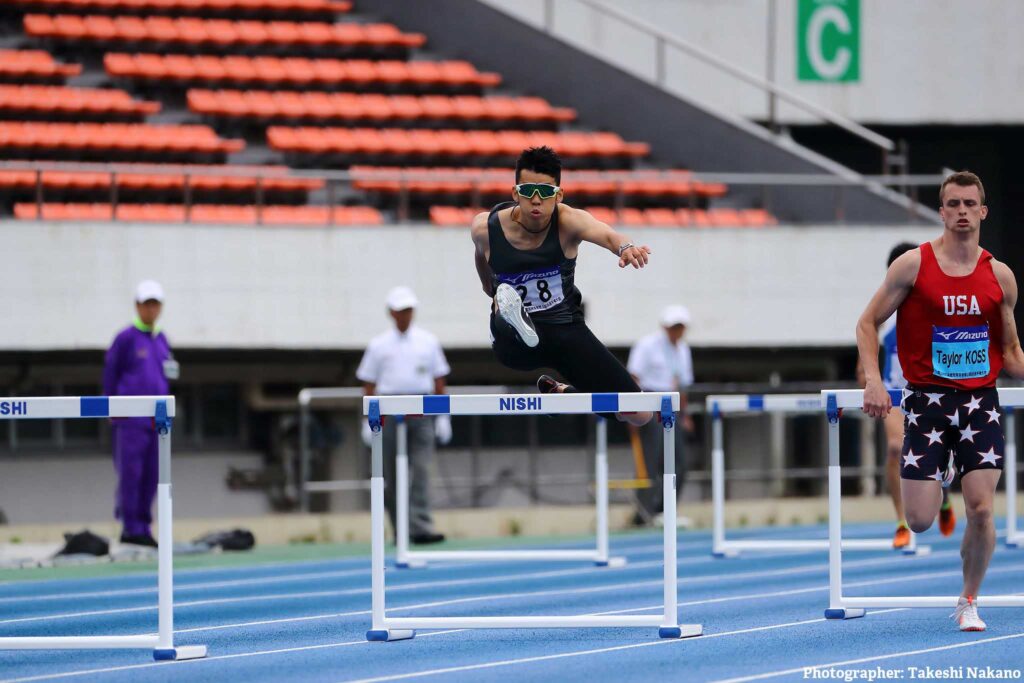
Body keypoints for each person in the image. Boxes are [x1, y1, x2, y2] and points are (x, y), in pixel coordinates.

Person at [856, 171, 1024, 631]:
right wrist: (873, 380)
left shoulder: (1000, 277)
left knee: (982, 509)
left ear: (983, 212)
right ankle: (945, 468)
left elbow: (1010, 355)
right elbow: (867, 324)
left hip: (979, 403)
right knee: (920, 520)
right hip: (927, 403)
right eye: (954, 204)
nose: (963, 211)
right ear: (942, 211)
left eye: (971, 203)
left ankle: (969, 599)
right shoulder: (913, 265)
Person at [469, 146, 653, 426]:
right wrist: (490, 291)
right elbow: (481, 255)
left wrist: (625, 247)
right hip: (515, 345)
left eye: (545, 192)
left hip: (566, 331)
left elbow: (606, 233)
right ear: (515, 193)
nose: (536, 200)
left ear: (559, 195)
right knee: (503, 306)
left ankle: (564, 393)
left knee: (639, 413)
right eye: (528, 191)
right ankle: (509, 311)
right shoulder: (486, 228)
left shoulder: (568, 222)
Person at [860, 243, 956, 548]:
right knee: (893, 449)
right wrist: (868, 377)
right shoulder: (886, 309)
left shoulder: (932, 304)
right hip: (895, 397)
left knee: (937, 456)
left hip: (929, 395)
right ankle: (901, 520)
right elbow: (867, 337)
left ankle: (941, 491)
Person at [357, 286, 451, 545]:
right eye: (400, 311)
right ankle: (400, 529)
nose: (405, 315)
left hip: (422, 409)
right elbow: (369, 383)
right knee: (388, 474)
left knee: (421, 470)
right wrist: (368, 420)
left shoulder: (428, 341)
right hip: (388, 410)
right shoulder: (378, 345)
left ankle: (420, 527)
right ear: (391, 313)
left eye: (409, 310)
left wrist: (443, 416)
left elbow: (439, 380)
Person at [103, 280, 178, 548]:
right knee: (131, 472)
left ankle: (143, 526)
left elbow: (167, 373)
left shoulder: (162, 339)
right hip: (130, 419)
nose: (151, 309)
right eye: (146, 304)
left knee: (154, 474)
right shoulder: (125, 338)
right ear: (137, 306)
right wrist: (110, 407)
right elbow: (110, 373)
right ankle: (130, 526)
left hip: (155, 420)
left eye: (155, 304)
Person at [626, 305, 695, 525]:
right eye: (674, 326)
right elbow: (634, 377)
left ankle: (663, 510)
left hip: (673, 405)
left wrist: (685, 415)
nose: (677, 331)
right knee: (651, 459)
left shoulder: (683, 349)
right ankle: (643, 513)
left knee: (680, 462)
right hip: (651, 402)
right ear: (664, 326)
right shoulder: (647, 345)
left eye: (681, 327)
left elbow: (682, 384)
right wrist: (634, 411)